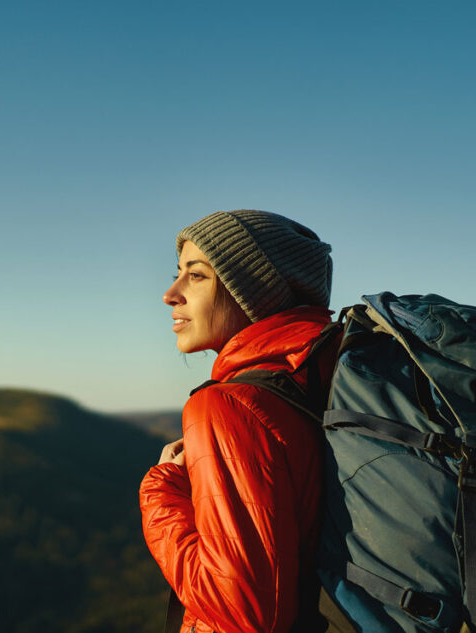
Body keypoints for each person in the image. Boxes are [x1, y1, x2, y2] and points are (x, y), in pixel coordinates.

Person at [139, 210, 336, 633]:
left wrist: (159, 492)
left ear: (256, 291)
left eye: (197, 276)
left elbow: (243, 615)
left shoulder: (231, 406)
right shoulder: (322, 375)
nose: (170, 294)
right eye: (178, 274)